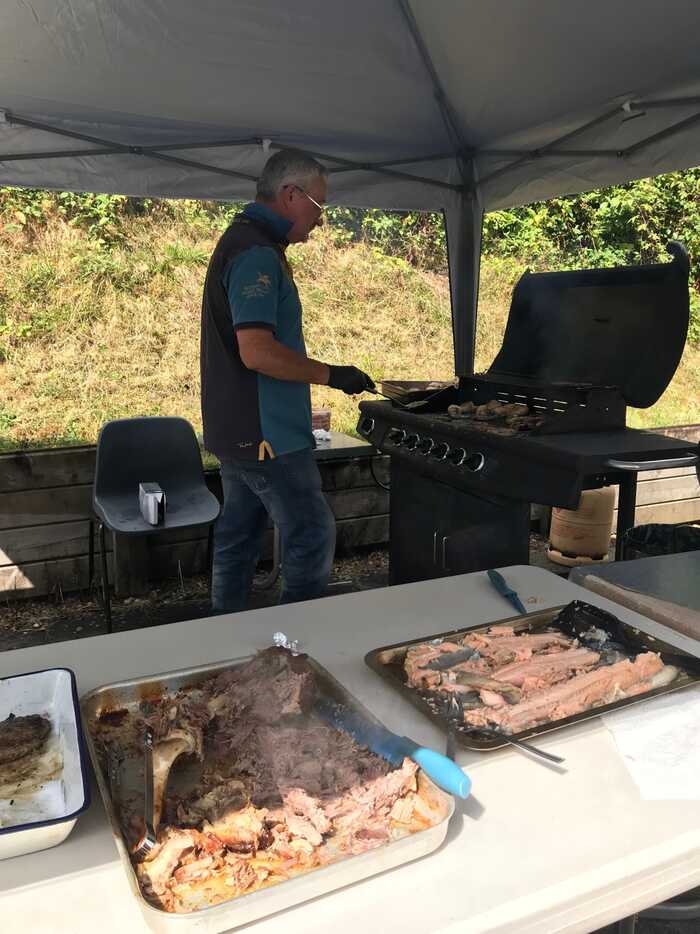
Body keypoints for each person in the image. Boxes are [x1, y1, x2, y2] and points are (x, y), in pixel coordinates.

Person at [200, 148, 375, 613]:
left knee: (238, 536)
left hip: (237, 430)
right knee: (311, 533)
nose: (321, 220)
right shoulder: (256, 254)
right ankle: (297, 640)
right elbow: (256, 351)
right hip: (267, 436)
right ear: (291, 194)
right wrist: (332, 375)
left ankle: (224, 630)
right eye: (318, 205)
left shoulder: (242, 240)